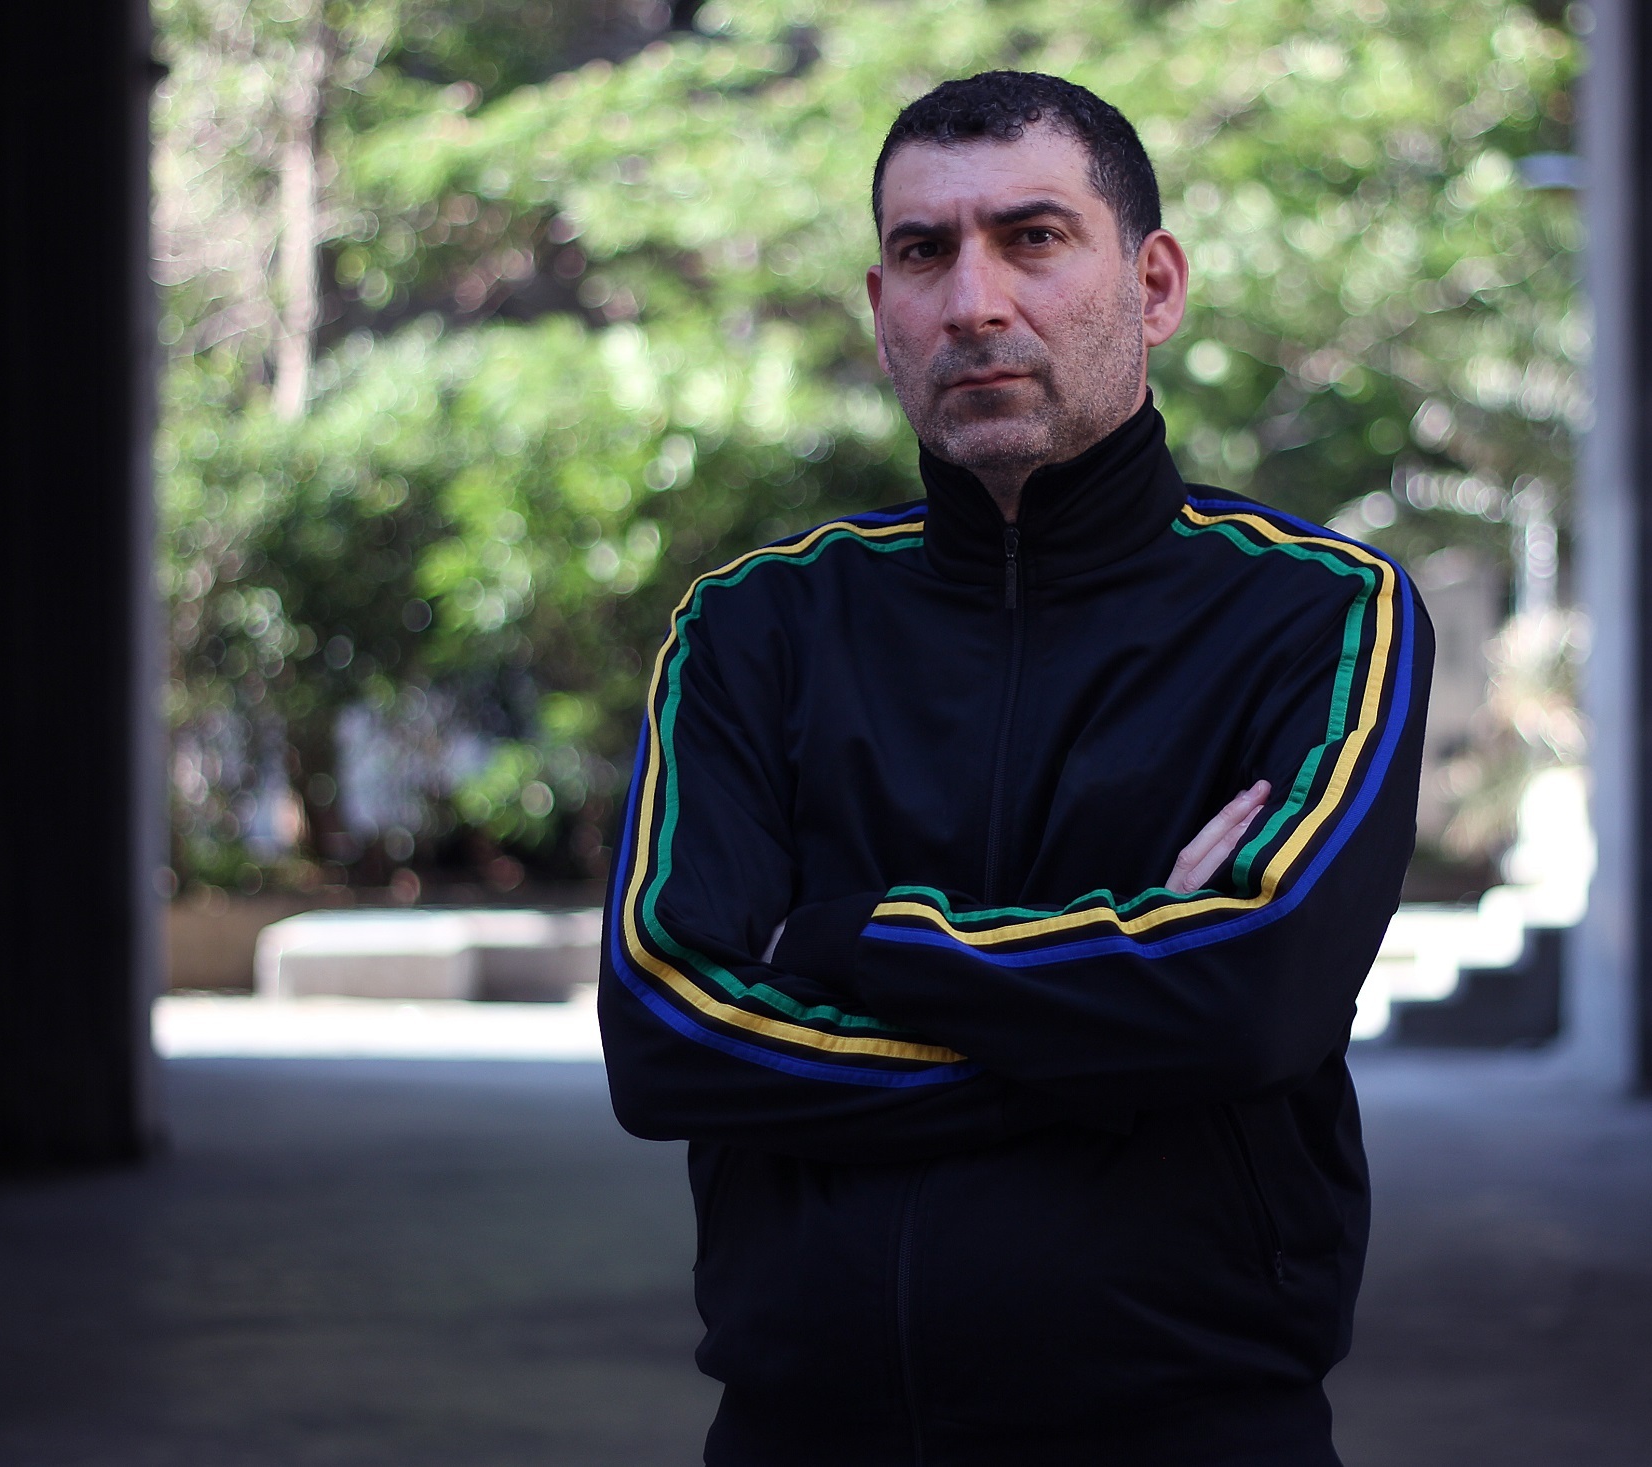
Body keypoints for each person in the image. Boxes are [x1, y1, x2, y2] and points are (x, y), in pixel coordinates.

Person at [600, 70, 1432, 1466]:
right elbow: (667, 1034)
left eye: (1034, 238)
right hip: (808, 1434)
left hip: (1189, 1431)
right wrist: (1122, 1041)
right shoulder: (757, 625)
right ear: (882, 309)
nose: (974, 302)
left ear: (1154, 286)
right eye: (926, 253)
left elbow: (1254, 998)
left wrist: (849, 941)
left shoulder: (1319, 612)